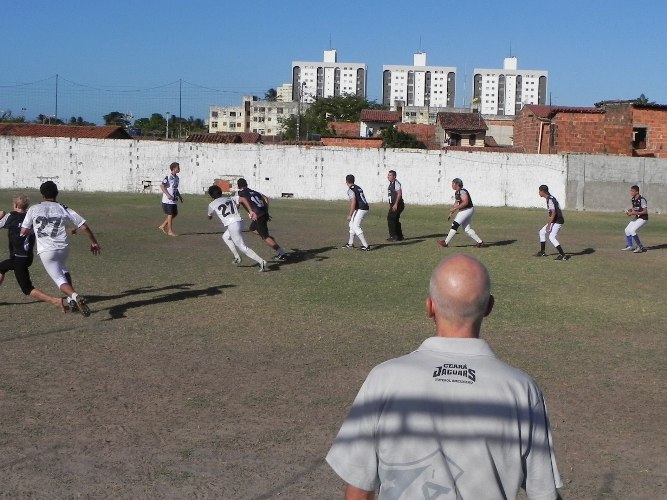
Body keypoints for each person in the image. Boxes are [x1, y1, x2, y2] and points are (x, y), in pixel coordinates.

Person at [326, 255, 563, 500]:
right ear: (489, 307)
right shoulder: (522, 389)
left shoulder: (383, 379)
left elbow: (358, 490)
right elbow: (542, 493)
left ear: (430, 307)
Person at [20, 181, 101, 316]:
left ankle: (75, 296)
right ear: (56, 193)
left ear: (42, 194)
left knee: (59, 279)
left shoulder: (33, 209)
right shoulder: (63, 207)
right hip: (63, 248)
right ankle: (71, 300)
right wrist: (94, 243)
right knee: (63, 269)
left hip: (46, 250)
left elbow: (24, 231)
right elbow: (84, 226)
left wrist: (38, 230)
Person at [0, 194, 69, 312]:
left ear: (15, 205)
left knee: (27, 289)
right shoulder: (32, 217)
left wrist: (1, 215)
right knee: (1, 267)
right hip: (27, 257)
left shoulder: (11, 216)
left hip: (19, 259)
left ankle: (55, 301)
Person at [207, 184, 267, 272]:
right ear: (221, 192)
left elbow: (209, 216)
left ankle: (261, 261)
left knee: (242, 246)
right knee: (225, 237)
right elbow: (242, 199)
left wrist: (210, 216)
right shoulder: (230, 198)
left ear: (211, 195)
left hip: (232, 225)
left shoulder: (212, 204)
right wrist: (250, 210)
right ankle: (237, 257)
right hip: (239, 221)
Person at [236, 178, 289, 261]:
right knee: (252, 229)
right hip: (263, 213)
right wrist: (266, 210)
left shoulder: (239, 193)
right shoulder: (254, 191)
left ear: (238, 186)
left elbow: (238, 204)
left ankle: (282, 254)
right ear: (246, 184)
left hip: (258, 216)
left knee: (265, 237)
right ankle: (269, 238)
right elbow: (265, 198)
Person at [437, 178, 484, 248]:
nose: (451, 185)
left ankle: (446, 242)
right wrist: (451, 212)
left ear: (457, 184)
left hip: (466, 210)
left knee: (455, 224)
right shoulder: (457, 192)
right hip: (467, 210)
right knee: (467, 229)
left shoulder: (462, 191)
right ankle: (480, 242)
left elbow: (465, 202)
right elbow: (457, 203)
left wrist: (455, 208)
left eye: (453, 183)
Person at [536, 185, 568, 260]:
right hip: (555, 220)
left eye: (539, 191)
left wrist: (549, 224)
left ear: (543, 191)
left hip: (557, 221)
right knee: (542, 232)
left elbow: (553, 212)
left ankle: (563, 255)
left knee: (551, 237)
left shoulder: (550, 199)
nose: (539, 193)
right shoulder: (550, 198)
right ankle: (542, 252)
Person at [342, 174, 371, 251]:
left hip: (361, 208)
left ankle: (366, 246)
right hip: (363, 207)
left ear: (346, 181)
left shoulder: (350, 190)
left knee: (355, 226)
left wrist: (350, 214)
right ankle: (350, 243)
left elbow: (353, 202)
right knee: (351, 224)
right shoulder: (358, 187)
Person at [158, 161, 183, 236]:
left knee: (174, 214)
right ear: (174, 168)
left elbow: (175, 188)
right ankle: (170, 231)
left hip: (174, 200)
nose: (179, 169)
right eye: (178, 167)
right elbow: (162, 186)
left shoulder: (177, 178)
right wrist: (168, 195)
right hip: (168, 201)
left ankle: (162, 226)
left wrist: (180, 197)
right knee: (170, 214)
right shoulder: (168, 177)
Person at [622, 184, 648, 253]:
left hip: (643, 218)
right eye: (630, 191)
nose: (631, 192)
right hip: (638, 217)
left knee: (632, 231)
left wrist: (634, 213)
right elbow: (635, 208)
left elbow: (645, 211)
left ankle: (640, 247)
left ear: (637, 192)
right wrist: (630, 210)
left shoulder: (642, 200)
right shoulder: (633, 199)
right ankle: (630, 246)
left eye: (632, 191)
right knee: (627, 230)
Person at [386, 170, 405, 241]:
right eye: (388, 175)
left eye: (390, 175)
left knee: (391, 219)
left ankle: (393, 236)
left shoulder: (396, 183)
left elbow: (399, 193)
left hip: (397, 204)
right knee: (395, 219)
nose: (388, 176)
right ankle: (399, 236)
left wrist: (396, 204)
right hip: (393, 204)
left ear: (394, 176)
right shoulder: (391, 183)